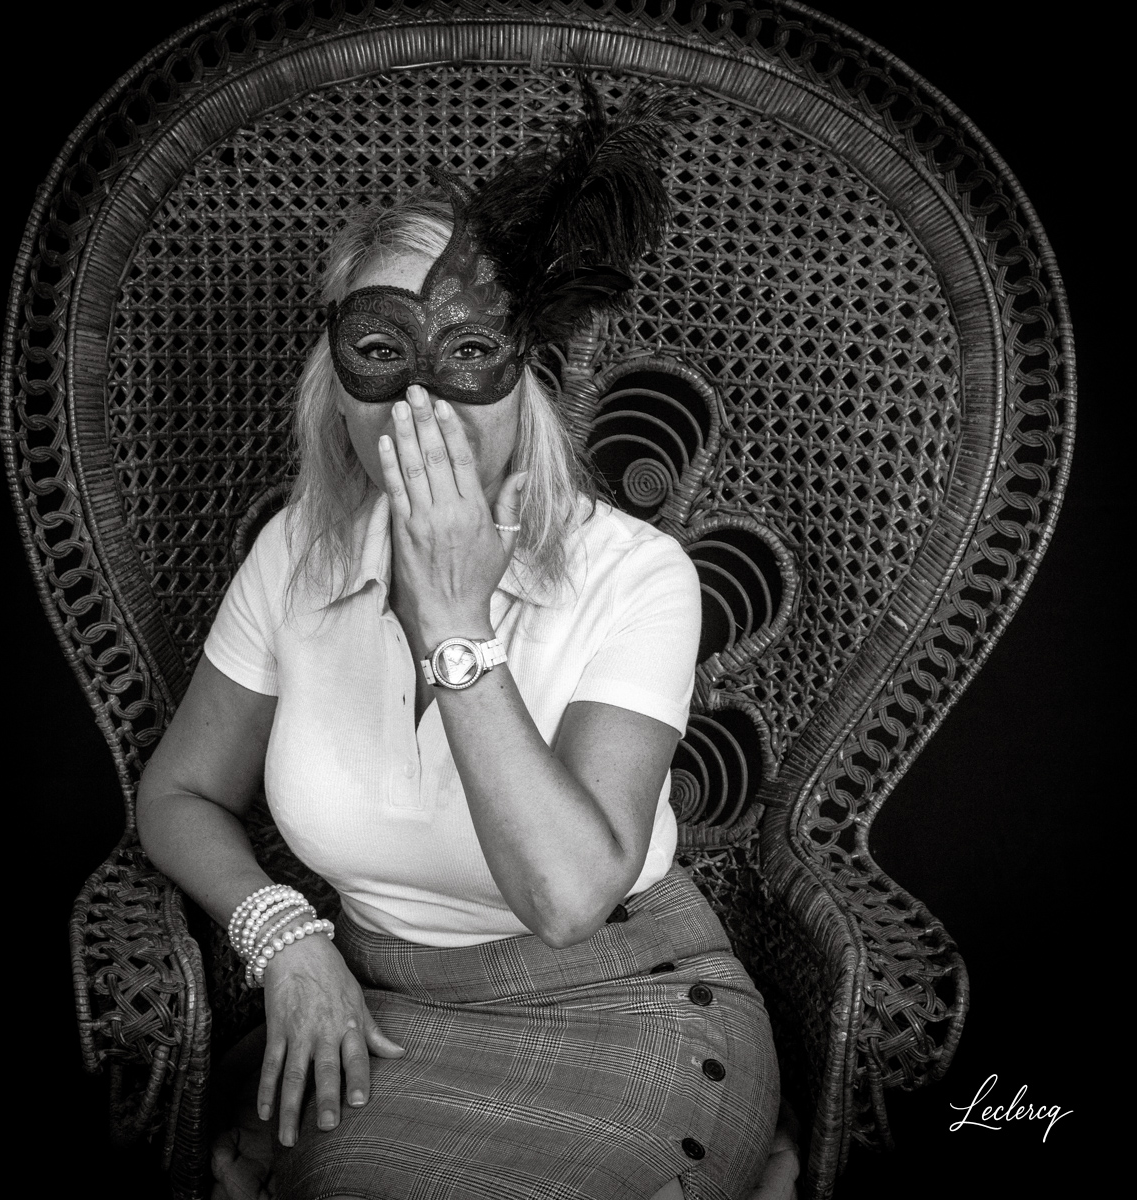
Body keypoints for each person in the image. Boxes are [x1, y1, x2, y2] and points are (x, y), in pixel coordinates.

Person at [136, 85, 789, 1200]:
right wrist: (283, 934)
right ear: (336, 384)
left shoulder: (637, 575)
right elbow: (179, 794)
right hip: (380, 1011)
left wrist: (452, 622)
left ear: (523, 375)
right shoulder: (298, 555)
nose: (424, 402)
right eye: (382, 349)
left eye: (471, 350)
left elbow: (568, 897)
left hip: (625, 998)